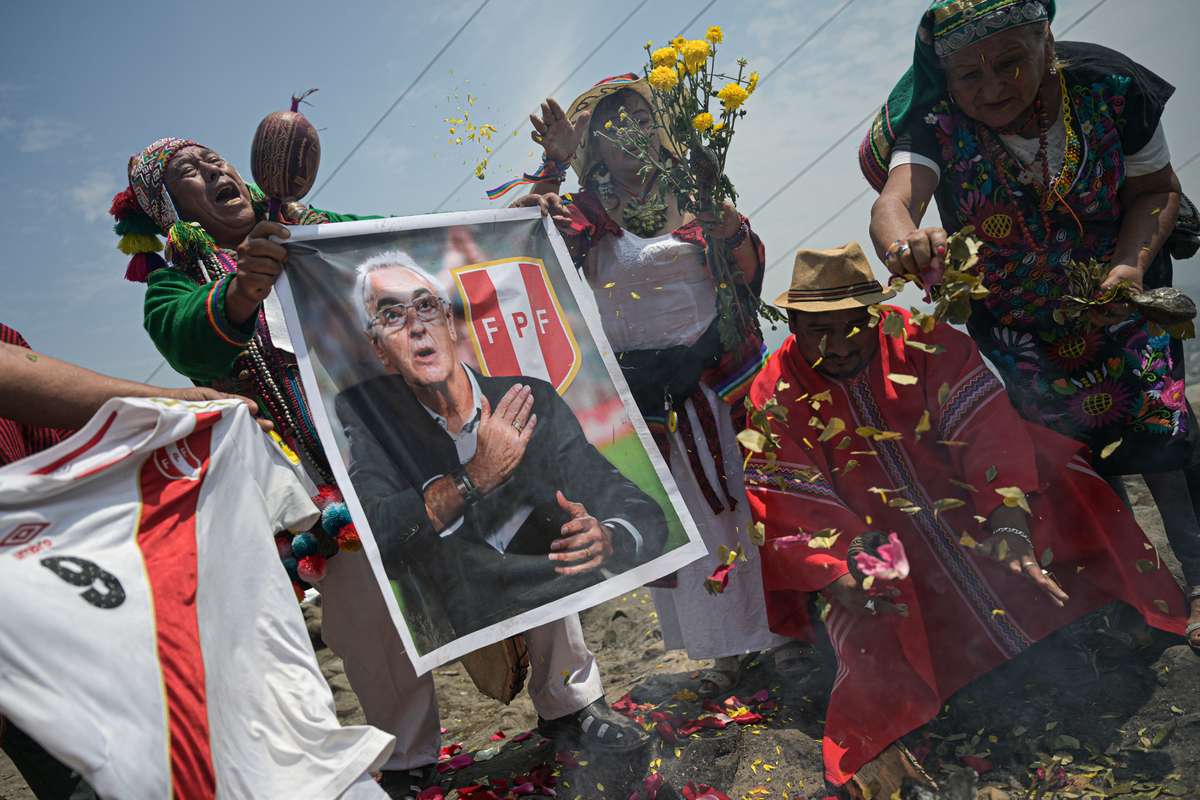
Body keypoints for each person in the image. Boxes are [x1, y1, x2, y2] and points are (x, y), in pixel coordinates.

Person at [112, 137, 643, 799]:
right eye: (187, 172)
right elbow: (184, 332)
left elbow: (414, 251)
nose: (213, 169)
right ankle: (409, 757)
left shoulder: (318, 228)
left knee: (526, 534)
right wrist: (245, 284)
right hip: (325, 481)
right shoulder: (178, 279)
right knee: (366, 610)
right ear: (165, 207)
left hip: (429, 435)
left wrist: (524, 214)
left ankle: (572, 708)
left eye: (212, 157)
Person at [743, 243, 1189, 793]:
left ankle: (1095, 617)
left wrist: (1008, 526)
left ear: (875, 314)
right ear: (793, 325)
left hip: (973, 505)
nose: (836, 348)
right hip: (875, 543)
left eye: (850, 328)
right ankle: (920, 702)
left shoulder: (925, 340)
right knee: (871, 612)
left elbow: (987, 432)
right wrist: (845, 571)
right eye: (818, 332)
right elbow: (792, 500)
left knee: (1064, 471)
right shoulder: (775, 388)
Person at [860, 0, 1200, 649]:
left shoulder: (1110, 88)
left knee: (1163, 433)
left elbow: (1157, 192)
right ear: (946, 78)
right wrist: (906, 245)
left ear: (1046, 40)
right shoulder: (933, 122)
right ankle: (1136, 592)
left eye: (1010, 62)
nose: (990, 88)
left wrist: (1128, 270)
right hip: (1022, 324)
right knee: (1071, 456)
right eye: (968, 76)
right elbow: (894, 203)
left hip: (1119, 293)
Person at [0, 325, 393, 800]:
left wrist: (186, 427)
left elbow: (65, 456)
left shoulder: (10, 340)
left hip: (57, 603)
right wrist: (175, 409)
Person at [515, 74, 789, 696]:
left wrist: (731, 231)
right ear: (596, 150)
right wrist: (553, 163)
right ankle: (724, 650)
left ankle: (782, 634)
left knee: (749, 505)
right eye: (611, 127)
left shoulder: (697, 190)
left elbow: (747, 278)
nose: (630, 133)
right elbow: (528, 241)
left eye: (640, 118)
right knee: (691, 519)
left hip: (721, 385)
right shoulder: (586, 211)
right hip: (649, 398)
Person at [337, 251, 668, 637]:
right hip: (472, 638)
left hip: (565, 605)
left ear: (449, 321)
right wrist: (474, 476)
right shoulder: (375, 426)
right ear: (379, 349)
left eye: (425, 306)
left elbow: (633, 506)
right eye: (392, 315)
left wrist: (607, 536)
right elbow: (381, 540)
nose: (415, 326)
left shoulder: (530, 398)